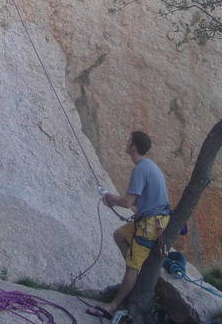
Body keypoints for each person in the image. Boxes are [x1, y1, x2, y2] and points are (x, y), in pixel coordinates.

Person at [86, 131, 171, 320]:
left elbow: (126, 202)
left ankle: (113, 305)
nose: (126, 143)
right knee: (119, 235)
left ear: (134, 147)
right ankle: (134, 271)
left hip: (150, 224)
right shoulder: (149, 166)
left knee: (132, 267)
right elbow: (135, 201)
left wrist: (109, 197)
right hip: (150, 219)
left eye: (129, 141)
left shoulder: (140, 169)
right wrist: (114, 199)